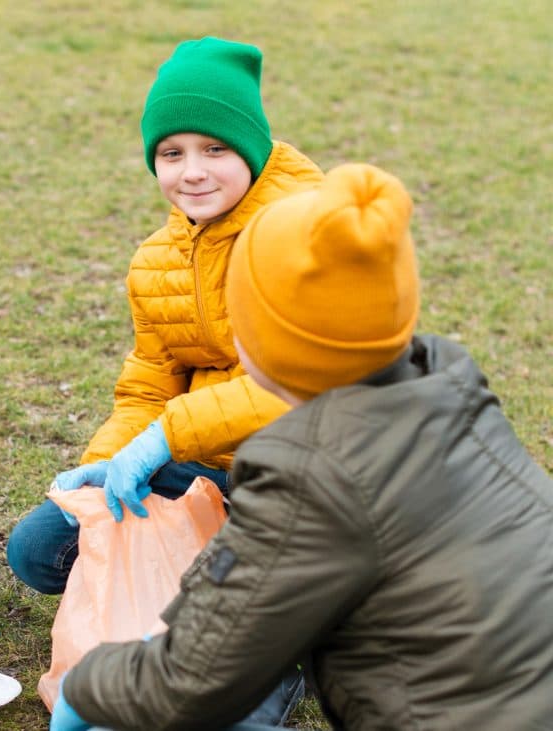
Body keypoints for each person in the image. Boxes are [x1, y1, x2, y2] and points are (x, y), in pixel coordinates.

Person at [49, 163, 553, 730]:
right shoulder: (449, 389)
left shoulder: (314, 473)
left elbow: (190, 683)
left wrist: (84, 689)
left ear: (269, 340)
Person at [8, 36, 320, 726]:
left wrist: (161, 440)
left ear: (253, 149)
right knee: (41, 549)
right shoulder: (157, 259)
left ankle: (269, 660)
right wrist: (103, 464)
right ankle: (211, 600)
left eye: (215, 148)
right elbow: (150, 384)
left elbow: (293, 383)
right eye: (171, 153)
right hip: (201, 466)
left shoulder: (307, 237)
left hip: (305, 477)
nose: (192, 172)